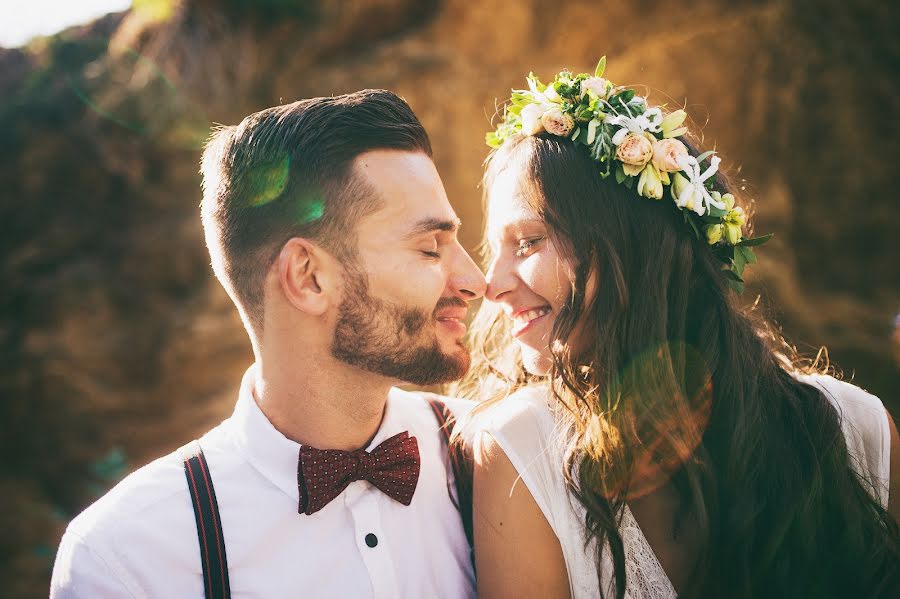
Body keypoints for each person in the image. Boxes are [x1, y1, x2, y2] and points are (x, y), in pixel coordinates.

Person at [460, 58, 900, 598]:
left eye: (527, 243)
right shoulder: (520, 450)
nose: (491, 283)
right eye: (495, 250)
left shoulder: (860, 430)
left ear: (630, 246)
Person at [50, 90, 486, 598]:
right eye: (430, 248)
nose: (473, 279)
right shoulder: (126, 560)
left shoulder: (489, 457)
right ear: (308, 277)